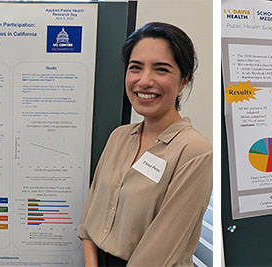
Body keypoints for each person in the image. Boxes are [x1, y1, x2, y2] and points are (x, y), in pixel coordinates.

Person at [78, 22, 212, 266]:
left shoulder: (193, 151)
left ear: (184, 80)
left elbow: (160, 251)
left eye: (161, 70)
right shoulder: (119, 137)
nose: (144, 81)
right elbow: (90, 218)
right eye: (135, 68)